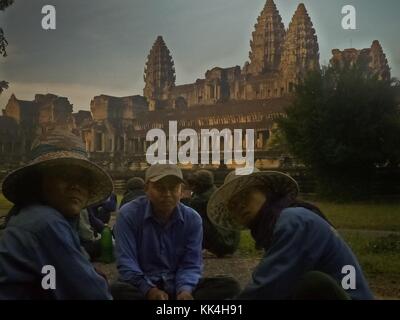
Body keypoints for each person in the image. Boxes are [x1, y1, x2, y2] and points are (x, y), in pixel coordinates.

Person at [207, 169, 374, 300]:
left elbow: (269, 287)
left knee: (312, 282)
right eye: (233, 205)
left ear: (266, 191)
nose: (240, 206)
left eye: (245, 195)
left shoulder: (293, 220)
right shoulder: (277, 223)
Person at [0, 128, 113, 300]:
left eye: (83, 179)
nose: (76, 185)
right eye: (65, 176)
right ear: (39, 181)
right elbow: (95, 294)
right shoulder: (45, 222)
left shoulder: (35, 215)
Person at [111, 164, 240, 300]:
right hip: (142, 285)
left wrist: (184, 290)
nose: (167, 194)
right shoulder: (128, 214)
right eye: (160, 188)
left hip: (176, 283)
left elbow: (191, 263)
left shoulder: (192, 218)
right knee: (116, 290)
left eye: (173, 188)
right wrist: (149, 290)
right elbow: (126, 261)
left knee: (229, 285)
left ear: (181, 191)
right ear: (146, 189)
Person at [184, 170, 240, 257]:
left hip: (220, 244)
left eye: (194, 184)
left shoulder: (200, 200)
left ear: (200, 185)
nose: (192, 187)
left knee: (192, 217)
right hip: (231, 244)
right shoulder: (217, 192)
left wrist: (184, 200)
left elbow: (186, 216)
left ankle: (204, 248)